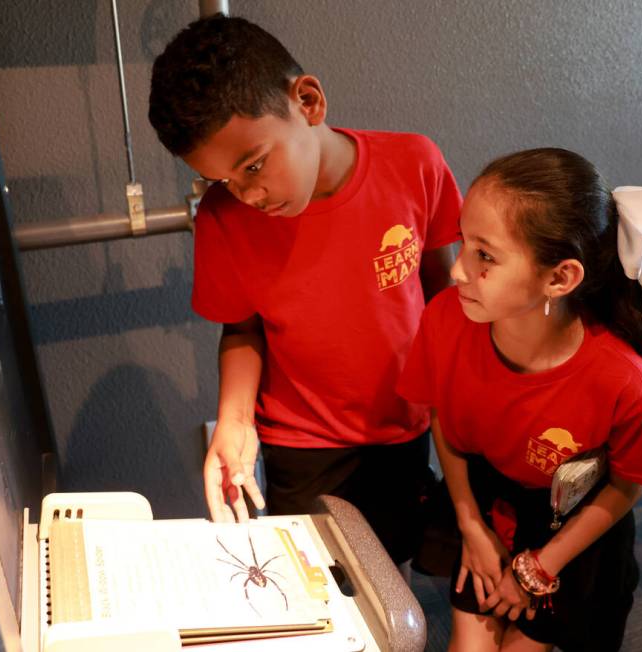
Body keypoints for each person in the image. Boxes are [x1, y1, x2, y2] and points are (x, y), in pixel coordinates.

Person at [148, 14, 462, 563]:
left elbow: (442, 295)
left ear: (308, 102)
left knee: (392, 578)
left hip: (404, 422)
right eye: (223, 181)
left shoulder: (415, 164)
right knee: (327, 587)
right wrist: (235, 421)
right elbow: (242, 328)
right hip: (303, 441)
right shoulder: (224, 221)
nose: (247, 194)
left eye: (253, 164)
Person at [398, 147, 642, 651]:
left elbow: (624, 487)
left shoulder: (627, 384)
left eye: (485, 255)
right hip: (487, 504)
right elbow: (444, 415)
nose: (457, 270)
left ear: (560, 278)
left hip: (573, 529)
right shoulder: (445, 319)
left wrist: (540, 564)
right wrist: (470, 524)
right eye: (463, 242)